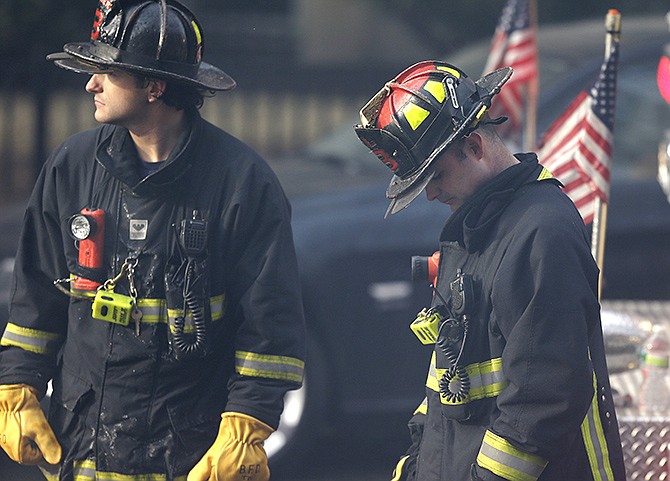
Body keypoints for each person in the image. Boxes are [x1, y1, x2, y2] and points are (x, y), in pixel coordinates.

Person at [0, 1, 305, 481]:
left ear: (154, 86)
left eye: (107, 72)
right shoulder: (72, 167)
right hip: (81, 453)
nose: (90, 84)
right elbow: (35, 295)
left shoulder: (243, 184)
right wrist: (18, 384)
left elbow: (271, 326)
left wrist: (247, 425)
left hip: (188, 459)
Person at [354, 60, 626, 481]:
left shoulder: (541, 231)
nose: (429, 195)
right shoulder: (469, 233)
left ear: (475, 147)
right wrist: (415, 467)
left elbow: (542, 400)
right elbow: (447, 380)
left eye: (436, 175)